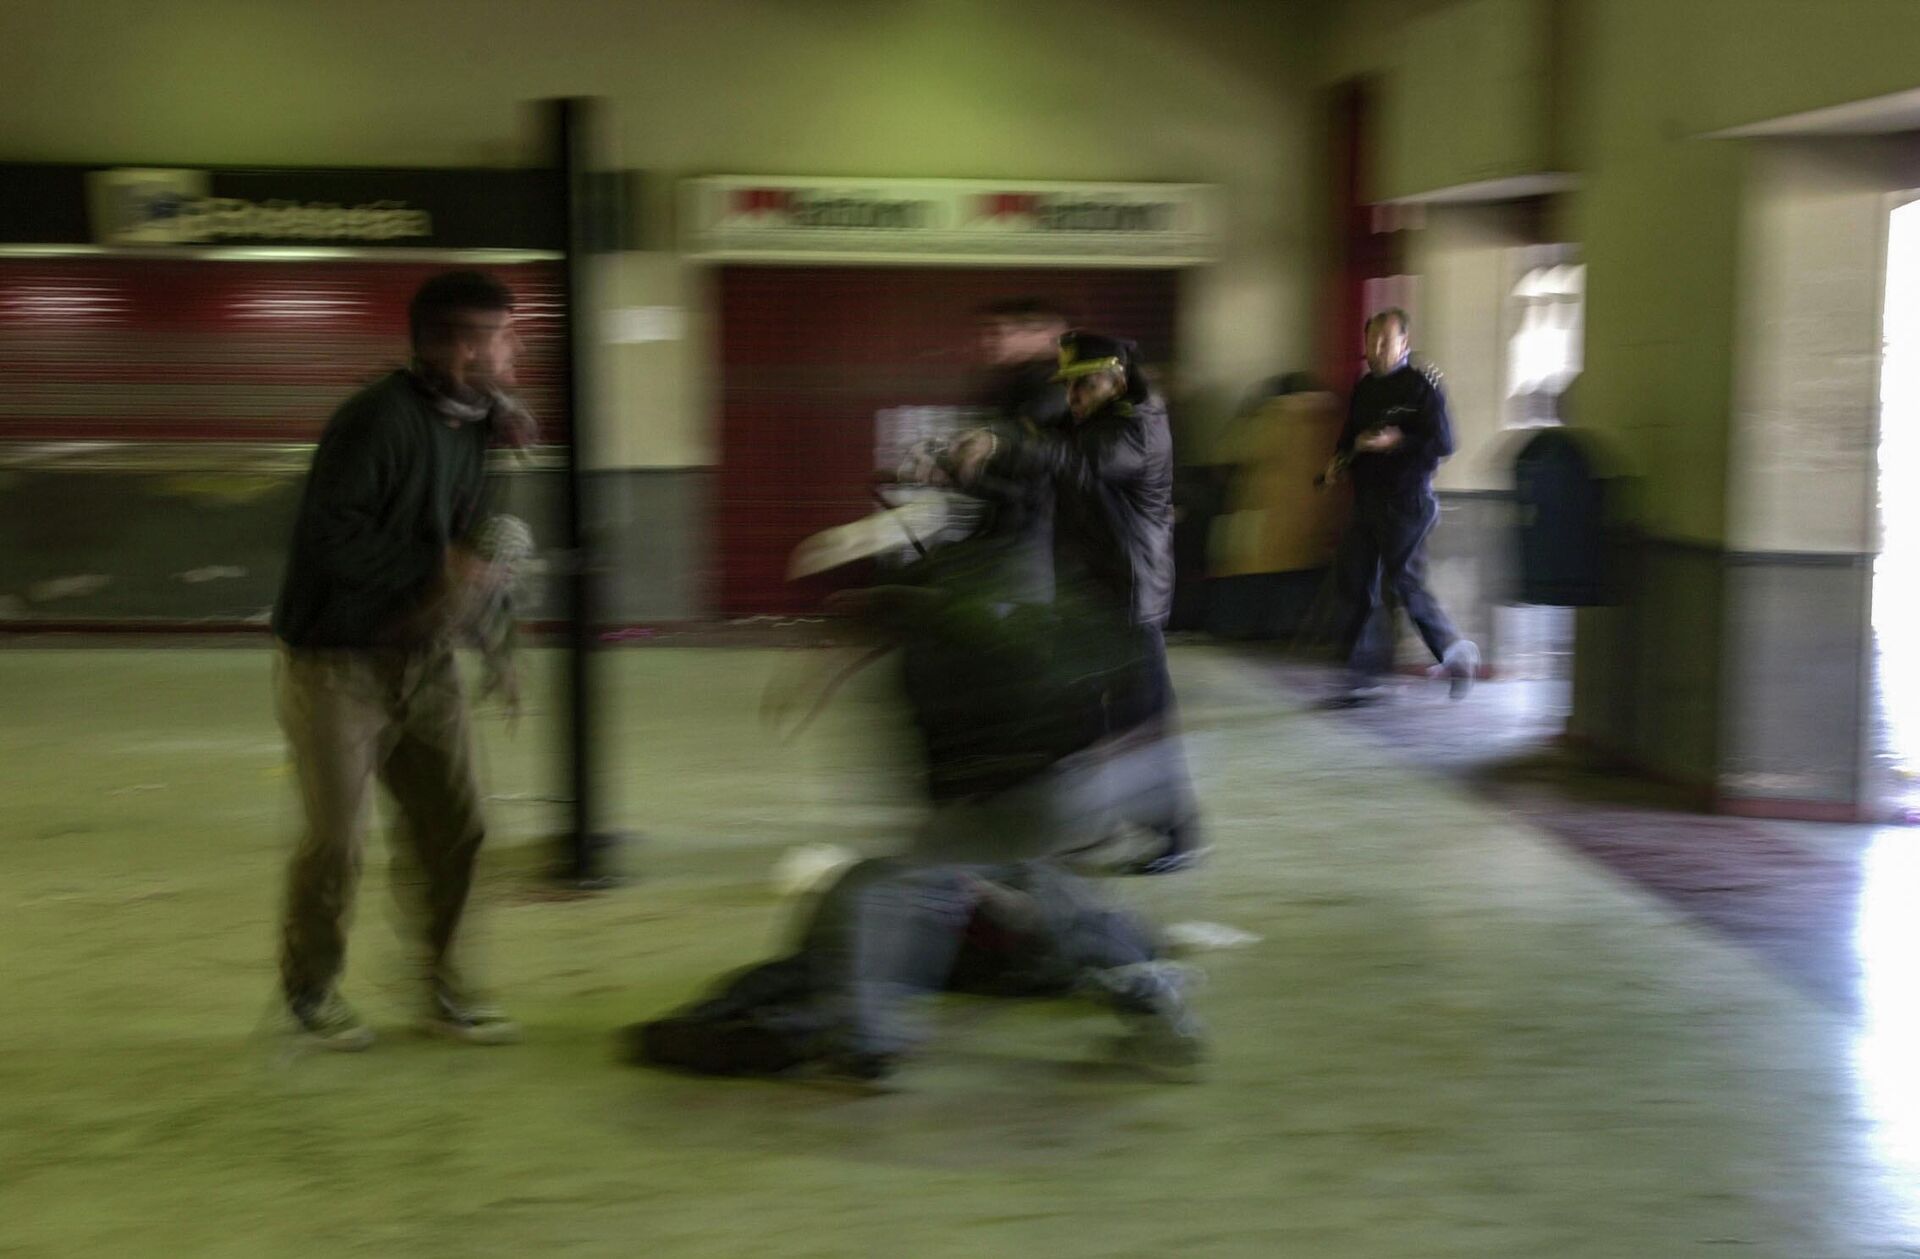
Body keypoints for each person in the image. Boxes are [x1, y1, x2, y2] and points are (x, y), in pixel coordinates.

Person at [271, 270, 535, 1050]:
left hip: (426, 663)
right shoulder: (374, 422)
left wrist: (498, 641)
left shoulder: (482, 426)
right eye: (503, 335)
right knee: (337, 842)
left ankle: (443, 987)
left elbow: (481, 544)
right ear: (461, 344)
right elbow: (329, 540)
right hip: (335, 667)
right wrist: (436, 571)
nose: (515, 348)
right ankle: (311, 990)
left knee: (459, 826)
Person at [949, 331, 1205, 874]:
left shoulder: (1139, 426)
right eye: (1068, 386)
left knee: (1145, 719)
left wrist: (1001, 445)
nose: (1074, 397)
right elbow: (1035, 443)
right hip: (1088, 587)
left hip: (1130, 592)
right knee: (1087, 717)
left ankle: (1179, 833)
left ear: (1116, 378)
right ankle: (1096, 823)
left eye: (1084, 384)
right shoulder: (1086, 421)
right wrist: (974, 453)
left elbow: (1072, 460)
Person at [1320, 308, 1479, 706]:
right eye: (1371, 341)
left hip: (1407, 502)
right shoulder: (1365, 387)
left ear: (1404, 342)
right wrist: (1337, 463)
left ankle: (1455, 654)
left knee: (1404, 582)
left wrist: (1398, 442)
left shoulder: (1422, 386)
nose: (1375, 349)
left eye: (1385, 342)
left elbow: (1444, 443)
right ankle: (1361, 677)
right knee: (1356, 583)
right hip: (1367, 500)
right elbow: (1350, 435)